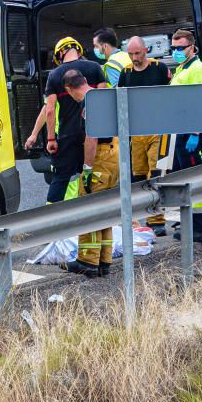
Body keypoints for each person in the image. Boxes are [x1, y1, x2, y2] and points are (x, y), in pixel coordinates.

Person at [24, 37, 106, 204]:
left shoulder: (55, 75)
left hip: (68, 135)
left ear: (61, 52)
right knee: (94, 178)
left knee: (61, 178)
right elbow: (102, 100)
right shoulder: (95, 68)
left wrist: (50, 139)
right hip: (95, 134)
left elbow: (50, 110)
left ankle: (52, 216)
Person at [61, 71, 119, 277]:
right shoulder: (103, 97)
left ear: (69, 89)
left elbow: (91, 139)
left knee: (89, 209)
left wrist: (87, 168)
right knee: (106, 209)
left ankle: (87, 261)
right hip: (114, 155)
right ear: (85, 81)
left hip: (100, 159)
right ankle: (104, 260)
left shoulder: (88, 105)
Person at [117, 36, 172, 236]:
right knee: (138, 176)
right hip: (136, 132)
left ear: (145, 51)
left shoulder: (159, 69)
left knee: (155, 174)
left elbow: (171, 96)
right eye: (131, 54)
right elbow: (120, 100)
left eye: (137, 53)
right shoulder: (126, 73)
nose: (134, 58)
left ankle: (157, 220)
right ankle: (142, 216)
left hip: (157, 129)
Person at [169, 29, 202, 245]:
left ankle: (201, 227)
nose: (177, 51)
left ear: (191, 47)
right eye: (174, 48)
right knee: (184, 178)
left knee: (194, 177)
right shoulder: (181, 68)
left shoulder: (197, 69)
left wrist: (196, 133)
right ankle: (190, 224)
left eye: (180, 48)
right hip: (181, 130)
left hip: (191, 133)